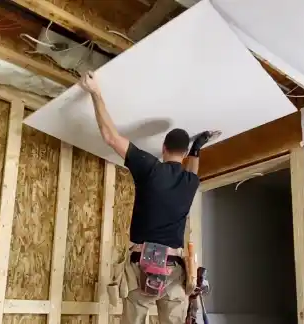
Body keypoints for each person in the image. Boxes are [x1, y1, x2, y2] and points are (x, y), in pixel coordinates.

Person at [79, 71, 215, 324]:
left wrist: (95, 93)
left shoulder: (150, 168)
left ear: (163, 147)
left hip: (142, 266)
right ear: (184, 153)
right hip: (175, 271)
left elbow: (110, 137)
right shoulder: (190, 182)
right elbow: (192, 170)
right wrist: (198, 148)